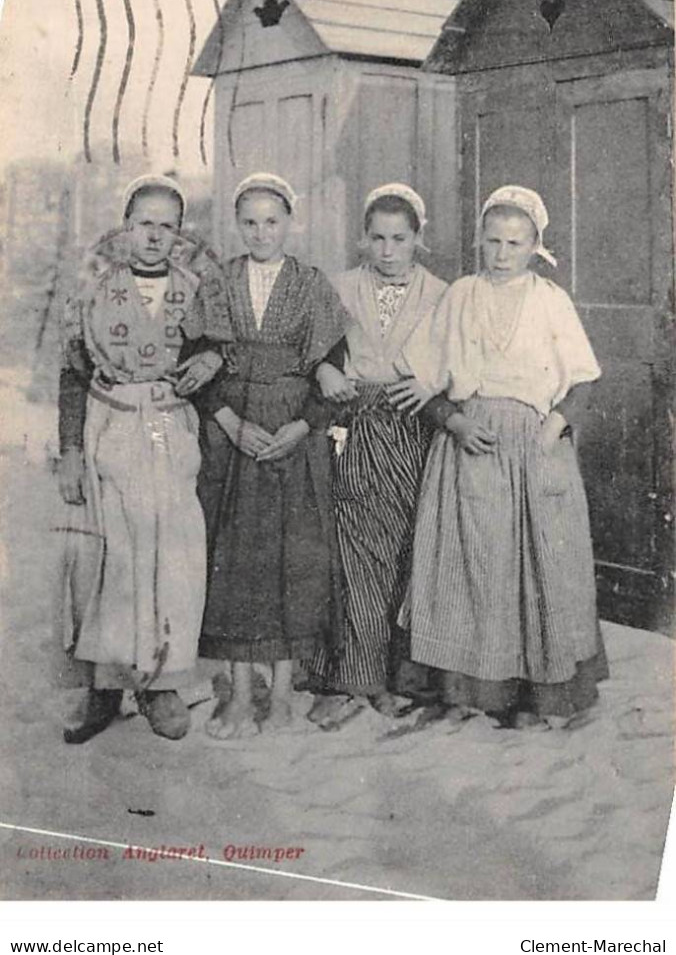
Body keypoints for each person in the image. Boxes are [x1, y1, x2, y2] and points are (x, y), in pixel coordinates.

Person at [402, 184, 608, 728]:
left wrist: (549, 434)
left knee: (538, 569)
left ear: (535, 244)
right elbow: (424, 384)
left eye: (514, 243)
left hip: (534, 448)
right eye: (492, 241)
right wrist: (456, 421)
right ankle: (462, 695)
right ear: (479, 241)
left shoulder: (550, 300)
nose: (501, 254)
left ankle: (533, 701)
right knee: (469, 570)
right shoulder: (462, 295)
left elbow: (583, 383)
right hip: (472, 443)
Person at [57, 174, 225, 743]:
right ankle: (104, 685)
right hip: (111, 424)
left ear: (180, 235)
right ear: (126, 226)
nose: (155, 235)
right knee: (111, 556)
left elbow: (212, 353)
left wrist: (211, 362)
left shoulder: (195, 288)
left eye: (167, 226)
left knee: (170, 555)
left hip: (170, 427)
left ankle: (159, 685)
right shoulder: (94, 289)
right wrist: (72, 452)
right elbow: (73, 373)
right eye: (145, 222)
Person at [194, 173, 350, 740]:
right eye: (250, 221)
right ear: (237, 225)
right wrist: (230, 422)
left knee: (292, 563)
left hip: (294, 435)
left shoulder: (312, 285)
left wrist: (302, 426)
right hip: (233, 433)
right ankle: (238, 695)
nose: (261, 232)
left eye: (273, 221)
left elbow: (331, 368)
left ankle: (282, 696)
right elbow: (199, 363)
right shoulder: (217, 282)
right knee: (235, 561)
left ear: (291, 223)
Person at [306, 184, 449, 729]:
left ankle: (399, 678)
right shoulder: (339, 287)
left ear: (418, 239)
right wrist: (325, 368)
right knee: (354, 551)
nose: (387, 250)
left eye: (400, 239)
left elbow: (460, 357)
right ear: (363, 239)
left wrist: (429, 386)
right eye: (377, 238)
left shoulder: (442, 293)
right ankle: (351, 677)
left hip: (415, 430)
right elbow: (316, 350)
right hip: (357, 424)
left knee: (409, 553)